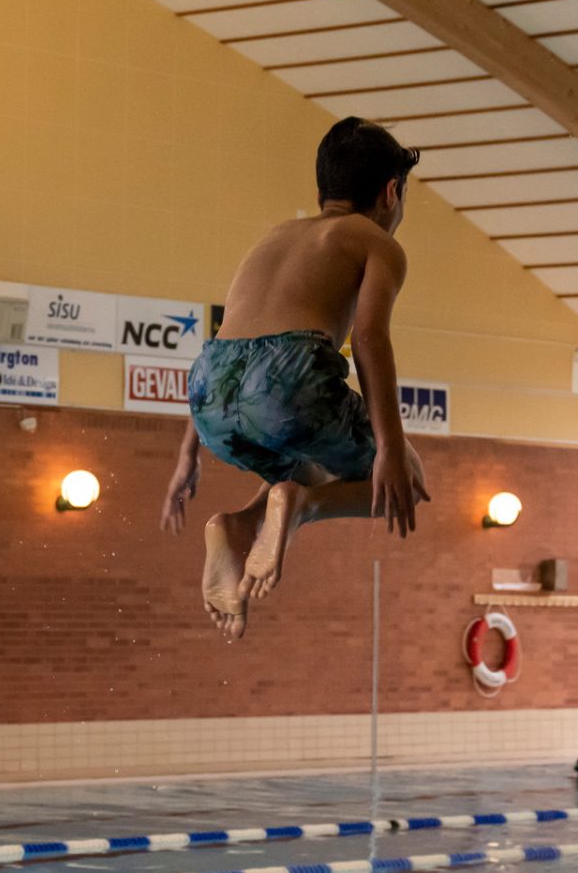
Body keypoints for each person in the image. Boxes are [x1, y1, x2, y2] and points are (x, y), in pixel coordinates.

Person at [160, 117, 431, 639]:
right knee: (408, 483)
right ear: (391, 191)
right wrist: (392, 450)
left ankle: (238, 524)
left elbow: (227, 352)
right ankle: (299, 510)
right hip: (287, 381)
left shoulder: (273, 238)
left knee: (309, 466)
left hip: (211, 397)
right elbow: (371, 339)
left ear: (322, 185)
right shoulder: (375, 243)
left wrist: (187, 456)